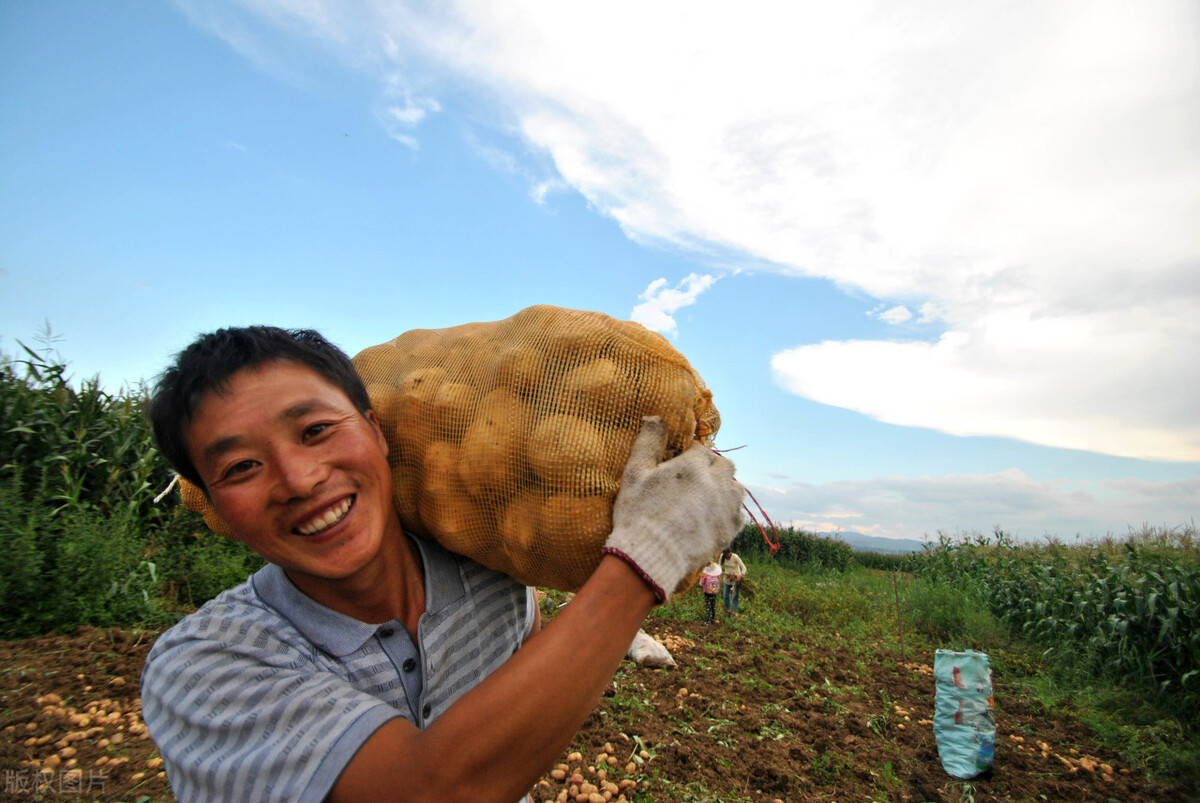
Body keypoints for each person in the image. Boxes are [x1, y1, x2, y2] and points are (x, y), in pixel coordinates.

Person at [139, 325, 744, 803]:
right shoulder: (203, 669)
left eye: (317, 429)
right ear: (213, 503)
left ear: (376, 432)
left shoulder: (496, 582)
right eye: (241, 467)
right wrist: (646, 558)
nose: (299, 480)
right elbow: (429, 790)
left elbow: (525, 683)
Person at [720, 547, 747, 616]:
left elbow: (744, 567)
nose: (727, 556)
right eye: (725, 554)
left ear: (730, 553)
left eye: (728, 554)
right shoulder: (722, 556)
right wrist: (718, 576)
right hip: (727, 578)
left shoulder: (735, 557)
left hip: (735, 579)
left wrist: (740, 576)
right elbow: (719, 566)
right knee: (725, 595)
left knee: (735, 596)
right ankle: (728, 610)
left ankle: (734, 611)